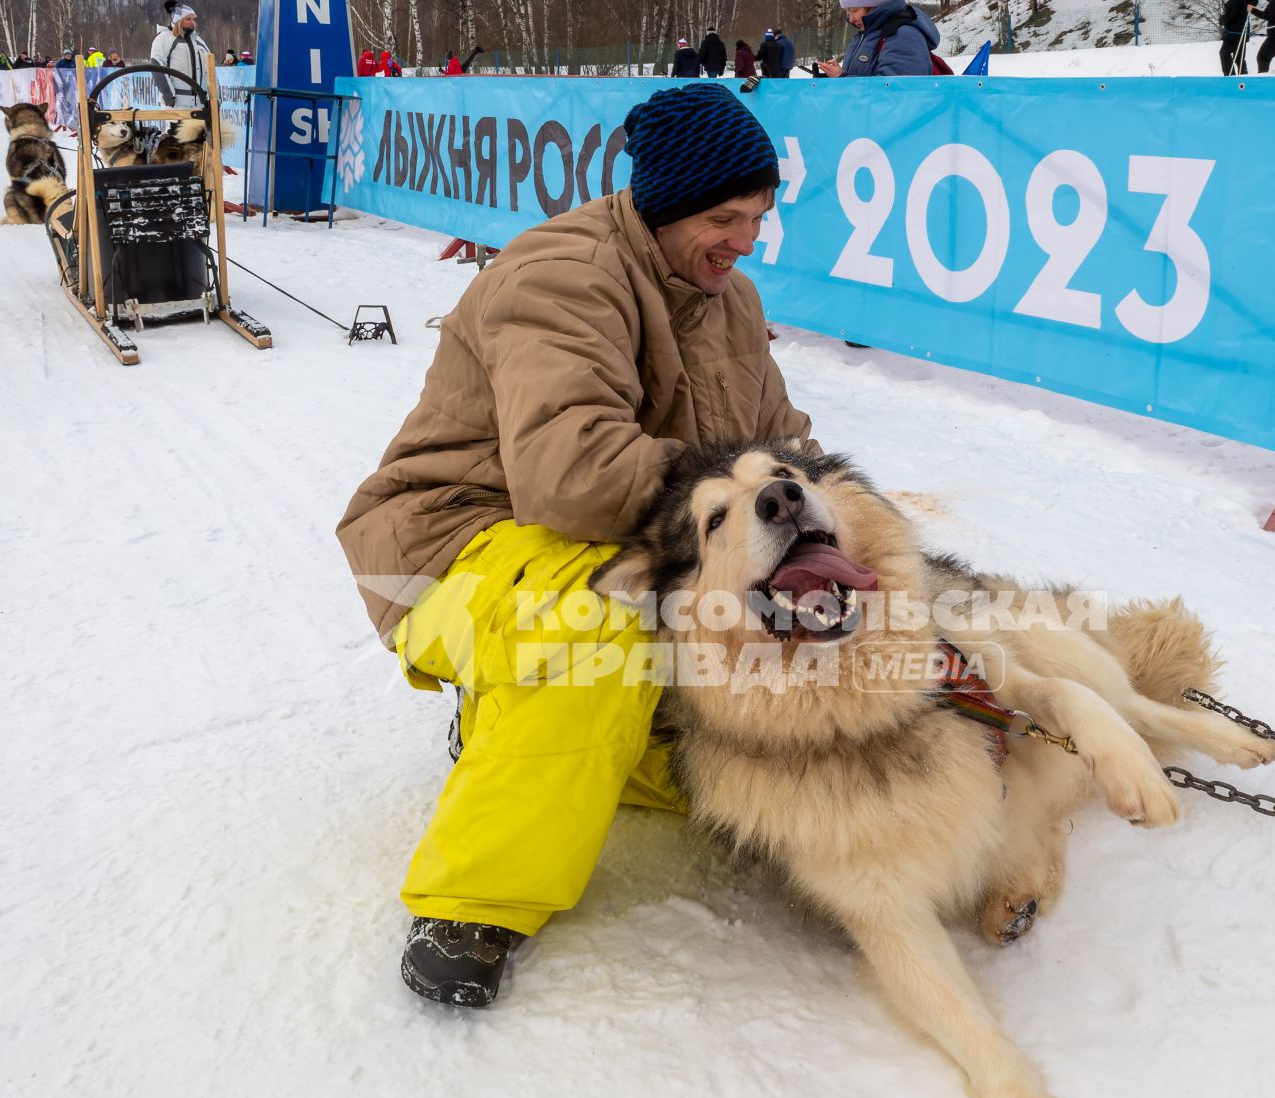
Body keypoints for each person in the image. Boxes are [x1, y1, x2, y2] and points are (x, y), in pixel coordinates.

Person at [338, 81, 816, 1008]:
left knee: (770, 649)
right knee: (597, 633)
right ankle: (475, 899)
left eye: (757, 217)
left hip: (616, 539)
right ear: (668, 202)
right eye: (726, 216)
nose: (746, 240)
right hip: (451, 544)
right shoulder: (561, 273)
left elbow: (782, 445)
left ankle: (516, 734)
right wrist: (748, 512)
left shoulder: (727, 294)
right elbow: (574, 475)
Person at [816, 0, 939, 78]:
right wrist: (835, 77)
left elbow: (897, 94)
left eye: (853, 10)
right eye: (847, 11)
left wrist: (842, 78)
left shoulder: (903, 35)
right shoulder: (865, 35)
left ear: (874, 6)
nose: (850, 19)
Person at [150, 1, 214, 104]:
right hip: (176, 105)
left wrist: (215, 98)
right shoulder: (164, 38)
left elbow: (211, 71)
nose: (192, 22)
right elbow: (157, 66)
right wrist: (168, 95)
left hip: (201, 104)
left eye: (193, 19)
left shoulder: (199, 42)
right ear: (178, 21)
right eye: (188, 19)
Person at [1219, 0, 1252, 74]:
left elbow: (1228, 17)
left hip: (1234, 34)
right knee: (1239, 58)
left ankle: (1230, 76)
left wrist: (1221, 19)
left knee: (1224, 53)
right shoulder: (1243, 1)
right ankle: (1244, 75)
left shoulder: (1234, 2)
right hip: (1242, 33)